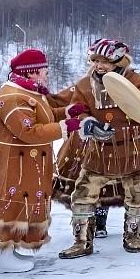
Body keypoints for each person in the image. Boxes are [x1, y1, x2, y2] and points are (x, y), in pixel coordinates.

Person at [0, 49, 90, 272]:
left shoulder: (26, 92)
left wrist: (66, 112)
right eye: (44, 71)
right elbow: (28, 130)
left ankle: (8, 250)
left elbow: (42, 115)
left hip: (22, 164)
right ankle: (1, 258)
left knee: (19, 204)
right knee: (9, 205)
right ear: (31, 73)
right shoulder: (12, 98)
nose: (47, 75)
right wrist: (63, 127)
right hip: (11, 165)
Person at [59, 39, 140, 259]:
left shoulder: (136, 81)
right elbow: (78, 111)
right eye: (96, 61)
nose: (99, 66)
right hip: (99, 151)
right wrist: (90, 124)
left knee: (137, 194)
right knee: (83, 195)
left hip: (132, 149)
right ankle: (82, 241)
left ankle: (133, 237)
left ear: (119, 61)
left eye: (105, 61)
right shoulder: (84, 85)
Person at [49, 85, 117, 239]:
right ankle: (81, 222)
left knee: (104, 181)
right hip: (80, 143)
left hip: (107, 139)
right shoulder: (81, 87)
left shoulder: (116, 86)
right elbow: (56, 101)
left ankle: (100, 222)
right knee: (78, 181)